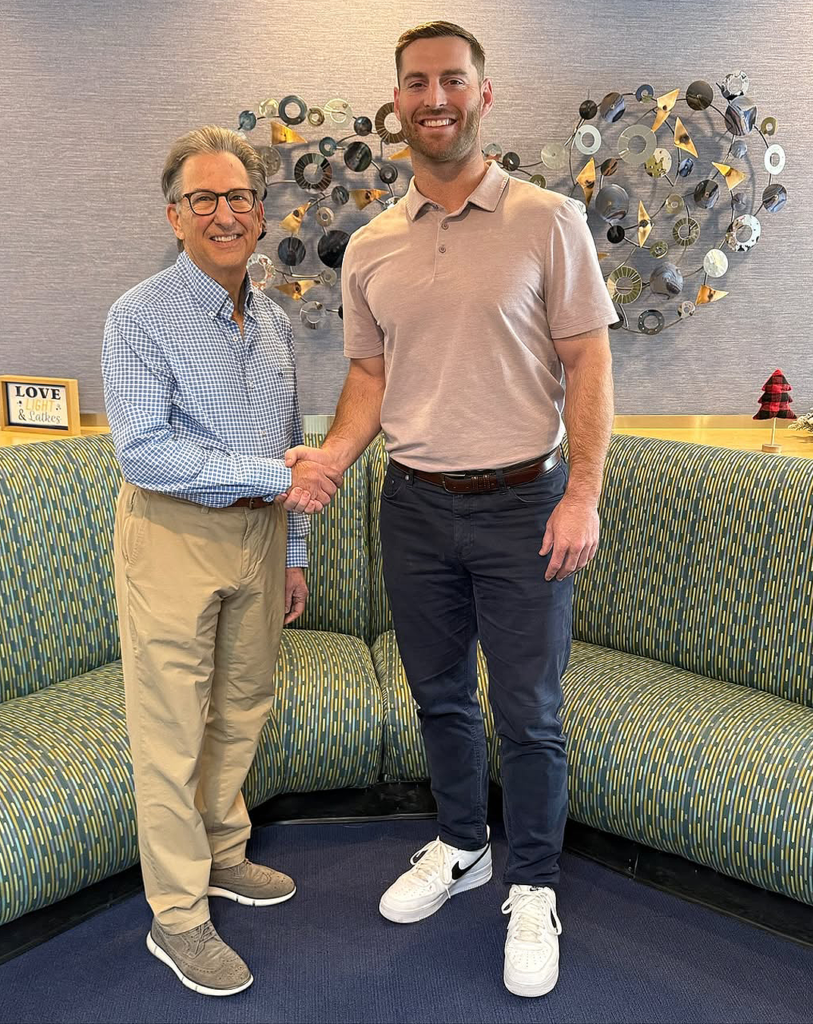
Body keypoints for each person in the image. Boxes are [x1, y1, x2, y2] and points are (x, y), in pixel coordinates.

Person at [283, 21, 615, 999]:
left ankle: (535, 886)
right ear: (400, 106)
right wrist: (334, 459)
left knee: (529, 713)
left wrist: (584, 494)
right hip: (415, 506)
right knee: (437, 697)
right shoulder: (374, 245)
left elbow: (589, 359)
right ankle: (465, 846)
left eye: (453, 81)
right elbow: (372, 378)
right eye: (417, 84)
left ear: (483, 95)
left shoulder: (548, 219)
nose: (435, 98)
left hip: (526, 506)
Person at [102, 125, 340, 997]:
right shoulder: (139, 315)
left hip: (259, 540)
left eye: (240, 196)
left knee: (243, 704)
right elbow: (144, 452)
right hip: (171, 535)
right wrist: (270, 477)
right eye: (204, 198)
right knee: (169, 731)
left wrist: (294, 553)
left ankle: (223, 854)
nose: (226, 213)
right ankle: (177, 915)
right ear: (175, 216)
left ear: (259, 210)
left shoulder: (272, 320)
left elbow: (289, 444)